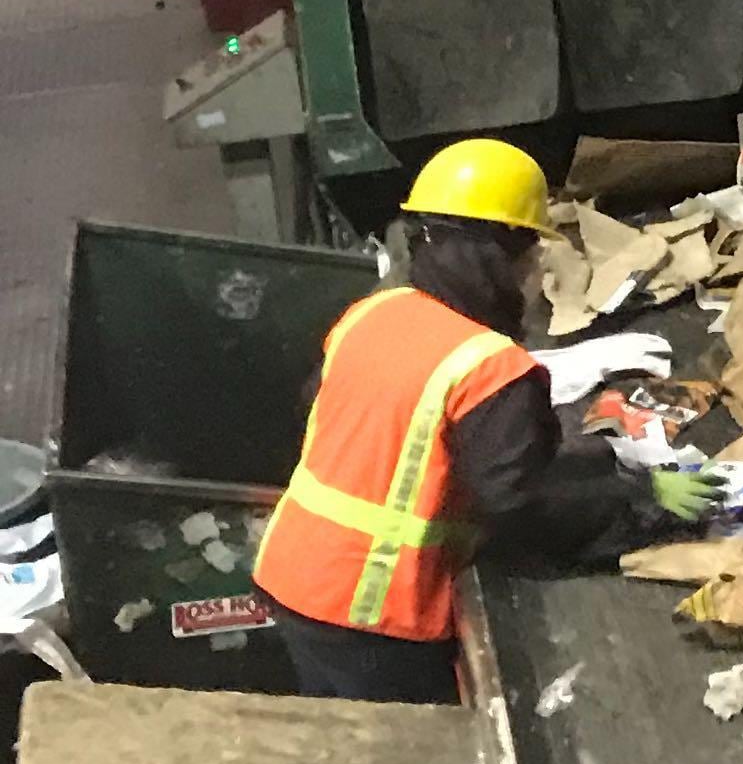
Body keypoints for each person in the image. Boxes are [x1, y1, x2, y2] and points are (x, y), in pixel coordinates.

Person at [253, 139, 719, 704]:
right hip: (373, 612)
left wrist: (595, 463)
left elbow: (350, 425)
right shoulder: (491, 369)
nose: (534, 272)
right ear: (506, 253)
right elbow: (518, 506)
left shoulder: (374, 314)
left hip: (290, 578)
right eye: (531, 253)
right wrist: (638, 500)